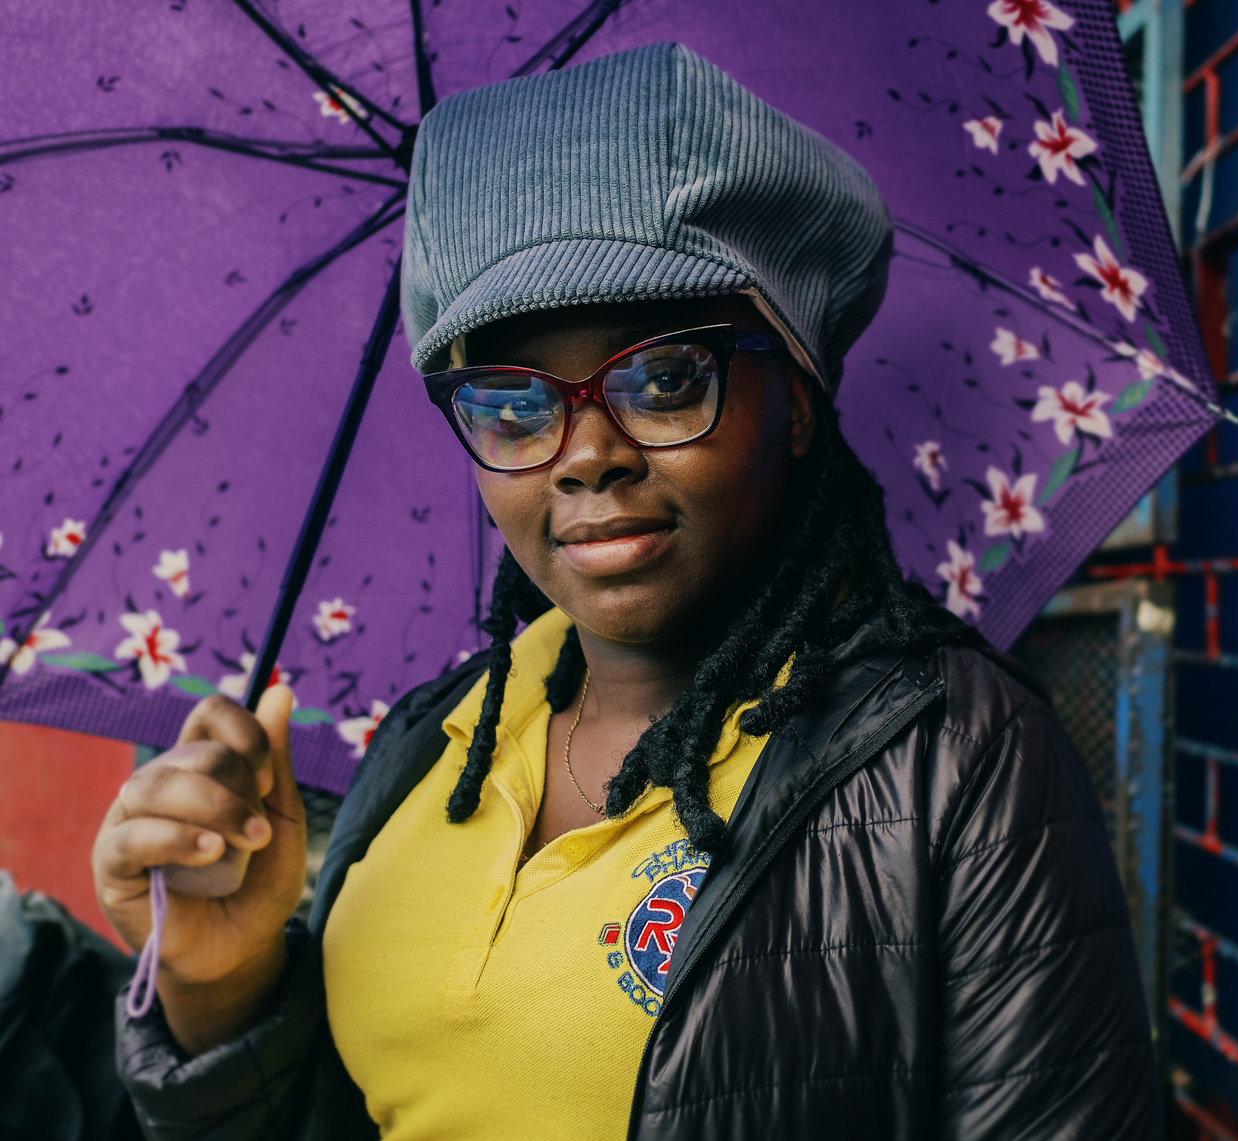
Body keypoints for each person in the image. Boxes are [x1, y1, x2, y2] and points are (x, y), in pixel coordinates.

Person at [92, 41, 1158, 1141]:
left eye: (664, 376)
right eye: (512, 402)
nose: (584, 454)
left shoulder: (958, 755)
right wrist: (221, 989)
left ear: (793, 401)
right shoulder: (434, 739)